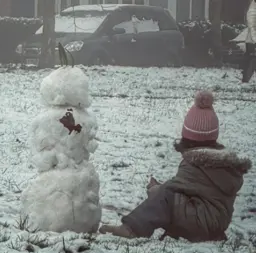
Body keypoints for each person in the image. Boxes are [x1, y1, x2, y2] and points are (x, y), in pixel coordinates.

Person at [99, 90, 252, 242]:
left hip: (201, 221)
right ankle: (182, 234)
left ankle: (131, 229)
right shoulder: (222, 163)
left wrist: (155, 191)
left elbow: (172, 190)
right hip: (215, 222)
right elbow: (192, 191)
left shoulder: (195, 162)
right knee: (170, 198)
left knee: (166, 195)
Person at [242, 0, 256, 82]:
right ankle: (245, 79)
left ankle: (246, 78)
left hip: (252, 40)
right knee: (250, 61)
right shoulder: (252, 10)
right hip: (252, 41)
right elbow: (252, 27)